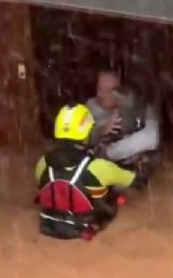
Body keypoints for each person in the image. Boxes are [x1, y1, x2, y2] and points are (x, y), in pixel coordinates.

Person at [35, 103, 148, 240]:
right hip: (84, 226)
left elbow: (42, 183)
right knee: (114, 191)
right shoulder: (97, 167)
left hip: (50, 225)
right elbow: (136, 181)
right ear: (87, 132)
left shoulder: (43, 162)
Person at [86, 70, 160, 166]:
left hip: (127, 147)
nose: (103, 94)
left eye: (110, 90)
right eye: (100, 89)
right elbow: (82, 141)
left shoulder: (127, 103)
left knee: (150, 137)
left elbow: (151, 129)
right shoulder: (89, 108)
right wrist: (102, 130)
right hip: (102, 156)